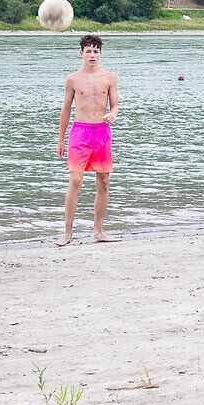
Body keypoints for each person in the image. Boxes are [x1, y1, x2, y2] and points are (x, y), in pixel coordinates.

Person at [56, 34, 120, 246]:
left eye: (96, 51)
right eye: (88, 51)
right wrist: (61, 139)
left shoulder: (109, 77)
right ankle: (67, 232)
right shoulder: (72, 79)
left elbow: (115, 105)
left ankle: (98, 231)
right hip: (80, 132)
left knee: (103, 180)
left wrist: (113, 113)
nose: (92, 55)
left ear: (100, 54)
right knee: (75, 180)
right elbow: (65, 110)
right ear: (81, 53)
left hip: (101, 132)